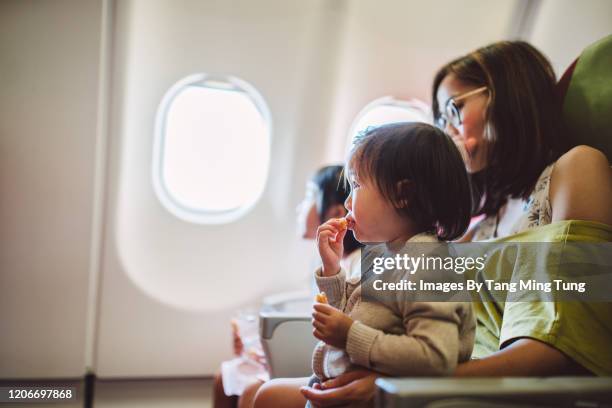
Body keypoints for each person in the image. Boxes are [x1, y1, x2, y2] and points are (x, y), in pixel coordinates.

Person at [253, 40, 612, 408]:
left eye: (455, 108)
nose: (447, 129)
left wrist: (400, 383)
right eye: (440, 118)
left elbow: (559, 340)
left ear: (509, 95)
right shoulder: (486, 221)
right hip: (442, 364)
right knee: (262, 394)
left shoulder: (576, 170)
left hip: (494, 383)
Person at [305, 123, 475, 408]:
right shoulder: (386, 254)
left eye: (356, 185)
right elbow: (356, 313)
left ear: (402, 195)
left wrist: (348, 335)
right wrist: (333, 271)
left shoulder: (429, 264)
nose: (347, 202)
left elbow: (434, 357)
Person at [213, 165, 361, 408]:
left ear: (336, 212)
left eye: (309, 196)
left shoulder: (356, 265)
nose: (299, 206)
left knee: (253, 391)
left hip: (327, 360)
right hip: (315, 353)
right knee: (222, 379)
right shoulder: (328, 259)